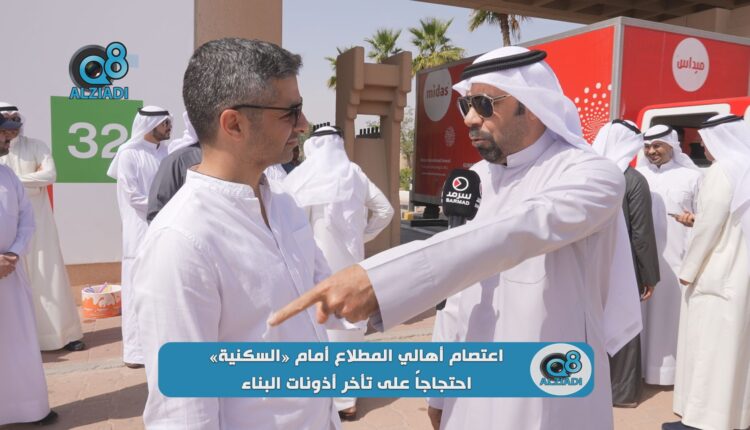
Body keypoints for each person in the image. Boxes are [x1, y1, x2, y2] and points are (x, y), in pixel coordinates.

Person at [270, 46, 643, 430]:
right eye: (466, 104)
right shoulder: (476, 178)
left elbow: (520, 229)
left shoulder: (592, 176)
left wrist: (378, 282)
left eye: (483, 105)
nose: (468, 118)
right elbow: (457, 297)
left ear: (532, 106)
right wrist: (439, 389)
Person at [132, 38, 341, 429]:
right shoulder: (182, 241)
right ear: (234, 124)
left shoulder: (283, 203)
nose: (303, 125)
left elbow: (326, 298)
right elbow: (184, 412)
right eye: (291, 111)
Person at [284, 126, 394, 420]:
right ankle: (347, 402)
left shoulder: (300, 177)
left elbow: (285, 222)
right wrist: (362, 236)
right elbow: (385, 211)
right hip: (350, 268)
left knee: (315, 330)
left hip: (312, 269)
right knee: (348, 331)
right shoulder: (354, 174)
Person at [664, 114, 750, 430]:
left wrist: (688, 269)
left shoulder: (722, 170)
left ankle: (702, 421)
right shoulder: (745, 168)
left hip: (719, 273)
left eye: (705, 141)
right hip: (741, 273)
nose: (703, 147)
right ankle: (734, 418)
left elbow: (710, 226)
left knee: (709, 349)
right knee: (735, 351)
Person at [0, 102, 85, 352]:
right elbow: (36, 179)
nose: (12, 127)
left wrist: (15, 180)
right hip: (9, 228)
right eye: (6, 121)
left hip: (38, 222)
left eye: (16, 120)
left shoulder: (36, 146)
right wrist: (31, 180)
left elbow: (49, 175)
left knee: (48, 274)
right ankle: (26, 340)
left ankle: (63, 335)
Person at [592, 119, 660, 407]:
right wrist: (650, 276)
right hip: (622, 266)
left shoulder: (586, 175)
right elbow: (641, 234)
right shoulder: (632, 180)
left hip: (585, 267)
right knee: (623, 324)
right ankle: (621, 393)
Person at [0, 116, 57, 426]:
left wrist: (13, 253)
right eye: (2, 135)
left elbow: (26, 219)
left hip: (11, 272)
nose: (7, 140)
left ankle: (29, 409)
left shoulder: (8, 175)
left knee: (19, 342)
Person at [635, 124, 702, 386]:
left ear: (671, 146)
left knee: (671, 317)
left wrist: (693, 220)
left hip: (677, 260)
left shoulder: (692, 177)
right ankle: (640, 371)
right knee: (642, 316)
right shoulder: (639, 175)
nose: (651, 151)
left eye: (657, 146)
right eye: (647, 147)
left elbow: (706, 218)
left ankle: (669, 374)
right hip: (644, 261)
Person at [107, 106, 171, 368]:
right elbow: (133, 197)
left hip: (163, 227)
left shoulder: (165, 152)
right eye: (165, 123)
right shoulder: (128, 154)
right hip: (139, 231)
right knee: (136, 291)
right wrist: (168, 205)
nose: (169, 127)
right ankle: (135, 352)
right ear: (150, 125)